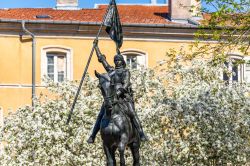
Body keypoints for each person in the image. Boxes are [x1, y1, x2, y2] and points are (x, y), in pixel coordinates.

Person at [87, 40, 148, 143]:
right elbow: (102, 60)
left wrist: (119, 93)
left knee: (132, 113)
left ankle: (141, 133)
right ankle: (92, 135)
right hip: (111, 97)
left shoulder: (125, 71)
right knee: (101, 114)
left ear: (122, 61)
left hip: (123, 97)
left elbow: (126, 84)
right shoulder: (111, 71)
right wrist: (96, 47)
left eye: (119, 60)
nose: (117, 62)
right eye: (115, 60)